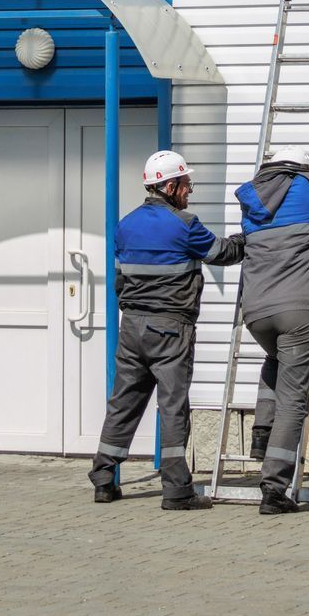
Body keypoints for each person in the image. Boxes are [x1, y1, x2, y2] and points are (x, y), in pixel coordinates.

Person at [89, 150, 244, 511]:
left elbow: (119, 281)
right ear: (170, 186)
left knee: (123, 404)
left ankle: (103, 479)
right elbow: (221, 252)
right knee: (172, 407)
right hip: (171, 329)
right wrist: (250, 239)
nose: (190, 191)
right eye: (186, 184)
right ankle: (176, 491)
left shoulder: (125, 225)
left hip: (132, 327)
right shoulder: (185, 224)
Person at [233, 145, 309, 515]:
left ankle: (261, 432)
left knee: (275, 359)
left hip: (257, 313)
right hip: (299, 310)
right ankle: (274, 489)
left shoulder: (250, 197)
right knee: (293, 399)